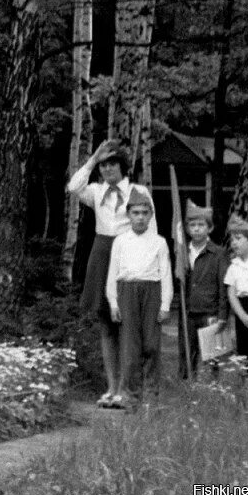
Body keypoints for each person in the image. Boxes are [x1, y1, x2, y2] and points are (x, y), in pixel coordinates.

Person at [66, 139, 157, 408]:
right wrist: (92, 159)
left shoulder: (138, 190)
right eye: (103, 166)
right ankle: (111, 387)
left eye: (112, 164)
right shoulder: (95, 191)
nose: (107, 170)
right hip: (103, 253)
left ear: (123, 166)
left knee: (128, 324)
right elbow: (73, 187)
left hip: (130, 252)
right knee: (106, 324)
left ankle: (129, 389)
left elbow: (151, 227)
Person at [104, 187, 170, 408]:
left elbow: (166, 274)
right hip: (127, 292)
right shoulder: (121, 241)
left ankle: (152, 396)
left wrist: (166, 304)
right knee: (130, 348)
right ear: (129, 215)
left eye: (144, 213)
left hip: (152, 292)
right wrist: (113, 302)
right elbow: (113, 273)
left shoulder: (159, 242)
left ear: (150, 215)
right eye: (135, 213)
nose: (140, 217)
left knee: (151, 345)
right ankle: (132, 397)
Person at [180, 199, 227, 379]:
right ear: (187, 228)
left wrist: (222, 315)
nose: (197, 229)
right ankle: (187, 387)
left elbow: (223, 287)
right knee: (187, 354)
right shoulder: (182, 252)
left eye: (201, 225)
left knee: (212, 356)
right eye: (192, 225)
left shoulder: (218, 253)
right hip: (189, 311)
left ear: (210, 228)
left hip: (210, 312)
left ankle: (213, 388)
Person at [224, 215, 248, 381]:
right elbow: (231, 293)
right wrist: (243, 315)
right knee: (245, 351)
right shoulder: (234, 265)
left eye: (238, 238)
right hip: (242, 311)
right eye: (232, 239)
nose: (233, 243)